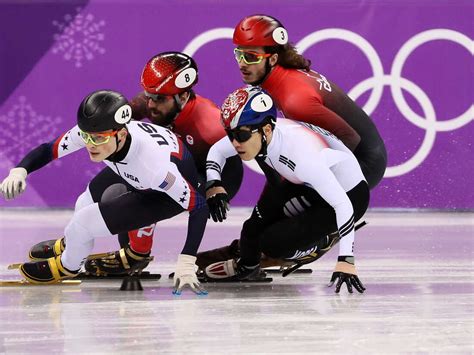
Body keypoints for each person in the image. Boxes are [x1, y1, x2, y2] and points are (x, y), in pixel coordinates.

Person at [28, 52, 244, 276]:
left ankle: (135, 255)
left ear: (183, 95)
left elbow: (249, 149)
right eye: (149, 95)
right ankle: (75, 241)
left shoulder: (210, 124)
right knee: (92, 195)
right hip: (172, 160)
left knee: (150, 183)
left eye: (159, 98)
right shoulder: (147, 103)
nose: (150, 104)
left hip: (212, 176)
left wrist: (214, 186)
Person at [197, 14, 386, 268]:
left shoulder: (295, 101)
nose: (242, 63)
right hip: (351, 150)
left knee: (282, 190)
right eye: (239, 55)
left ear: (273, 58)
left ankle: (315, 239)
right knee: (271, 165)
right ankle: (253, 245)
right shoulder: (280, 76)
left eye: (251, 57)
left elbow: (349, 139)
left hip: (361, 162)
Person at [0, 90, 208, 295]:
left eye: (98, 139)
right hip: (131, 168)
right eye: (85, 137)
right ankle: (73, 243)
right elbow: (50, 149)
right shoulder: (99, 129)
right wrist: (20, 171)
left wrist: (187, 261)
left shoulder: (155, 169)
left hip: (162, 194)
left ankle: (68, 266)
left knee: (83, 222)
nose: (90, 145)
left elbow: (199, 206)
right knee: (84, 202)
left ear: (122, 134)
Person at [203, 87, 370, 293]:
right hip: (306, 183)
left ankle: (320, 242)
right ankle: (248, 267)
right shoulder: (259, 131)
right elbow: (216, 151)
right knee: (252, 230)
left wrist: (346, 260)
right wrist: (214, 183)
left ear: (266, 130)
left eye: (241, 135)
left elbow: (342, 205)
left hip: (349, 195)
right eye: (230, 134)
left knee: (275, 244)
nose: (235, 143)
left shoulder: (303, 156)